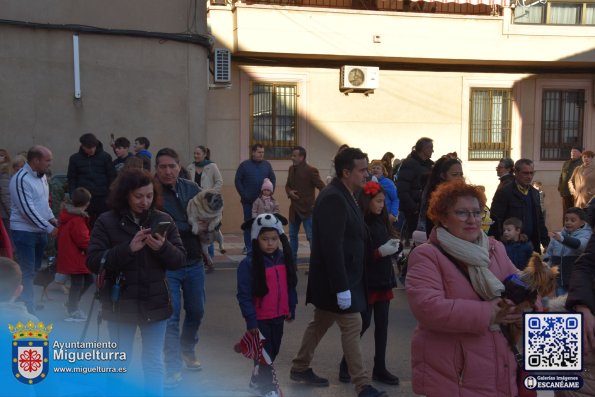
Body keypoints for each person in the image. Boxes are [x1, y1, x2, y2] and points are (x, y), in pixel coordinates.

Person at [406, 180, 522, 396]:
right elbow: (428, 308)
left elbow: (518, 285)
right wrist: (490, 312)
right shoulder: (427, 255)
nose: (472, 220)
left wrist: (521, 308)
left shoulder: (495, 249)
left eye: (477, 213)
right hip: (455, 376)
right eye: (462, 213)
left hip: (500, 368)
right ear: (443, 218)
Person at [290, 147, 387, 397]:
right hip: (337, 281)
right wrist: (342, 287)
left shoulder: (347, 193)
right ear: (346, 172)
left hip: (341, 279)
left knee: (320, 323)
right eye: (362, 170)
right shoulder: (334, 196)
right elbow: (332, 247)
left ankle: (300, 367)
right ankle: (363, 385)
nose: (366, 174)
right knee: (353, 324)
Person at [86, 168, 186, 395]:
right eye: (138, 196)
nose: (145, 202)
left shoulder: (163, 219)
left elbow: (179, 260)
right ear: (125, 194)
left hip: (155, 303)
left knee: (153, 362)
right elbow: (93, 261)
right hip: (120, 303)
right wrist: (127, 249)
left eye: (149, 196)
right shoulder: (107, 221)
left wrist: (163, 248)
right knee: (120, 362)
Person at [154, 148, 207, 387]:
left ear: (179, 166)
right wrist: (191, 226)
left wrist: (204, 226)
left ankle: (188, 349)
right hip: (167, 265)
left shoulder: (192, 189)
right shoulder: (152, 192)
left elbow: (209, 215)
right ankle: (172, 367)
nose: (167, 171)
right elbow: (161, 226)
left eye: (171, 166)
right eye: (163, 167)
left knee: (196, 311)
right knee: (171, 317)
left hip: (194, 261)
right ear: (157, 169)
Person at [339, 181, 400, 386]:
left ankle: (380, 367)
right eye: (379, 201)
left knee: (382, 326)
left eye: (384, 201)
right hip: (367, 282)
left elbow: (387, 242)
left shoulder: (382, 221)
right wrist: (380, 252)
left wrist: (395, 249)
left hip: (384, 279)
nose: (382, 205)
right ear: (368, 201)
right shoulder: (360, 223)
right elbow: (359, 255)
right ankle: (346, 363)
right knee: (362, 324)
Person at [237, 213, 298, 397]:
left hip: (278, 315)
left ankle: (256, 379)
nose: (270, 243)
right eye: (265, 239)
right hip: (260, 318)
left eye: (274, 238)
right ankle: (267, 388)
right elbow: (244, 295)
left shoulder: (283, 258)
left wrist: (291, 308)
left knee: (274, 350)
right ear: (256, 239)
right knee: (265, 354)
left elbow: (290, 286)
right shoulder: (248, 264)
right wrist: (251, 321)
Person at [9, 146, 58, 314]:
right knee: (27, 271)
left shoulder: (41, 177)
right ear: (35, 161)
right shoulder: (20, 179)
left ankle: (25, 301)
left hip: (39, 231)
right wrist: (50, 228)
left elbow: (43, 204)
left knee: (34, 270)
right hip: (24, 232)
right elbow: (27, 211)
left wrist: (52, 219)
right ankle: (27, 308)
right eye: (47, 160)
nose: (50, 163)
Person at [488, 158, 549, 253]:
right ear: (516, 172)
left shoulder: (535, 193)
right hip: (511, 246)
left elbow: (539, 219)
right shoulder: (505, 192)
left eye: (531, 173)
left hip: (531, 245)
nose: (529, 177)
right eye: (525, 173)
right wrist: (503, 238)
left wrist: (546, 242)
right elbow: (496, 219)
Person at [57, 187, 93, 322]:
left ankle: (72, 304)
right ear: (87, 203)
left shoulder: (68, 215)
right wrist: (94, 249)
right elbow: (83, 240)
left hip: (71, 255)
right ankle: (72, 309)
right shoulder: (77, 219)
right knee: (79, 283)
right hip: (76, 256)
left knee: (87, 280)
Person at [285, 146, 325, 264]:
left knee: (311, 237)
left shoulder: (311, 170)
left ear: (302, 157)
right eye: (292, 155)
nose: (292, 158)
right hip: (294, 209)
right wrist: (290, 192)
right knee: (292, 236)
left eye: (294, 156)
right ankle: (292, 263)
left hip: (308, 210)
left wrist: (317, 204)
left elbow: (323, 188)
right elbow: (288, 185)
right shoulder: (291, 169)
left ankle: (315, 265)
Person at [67, 133, 116, 225]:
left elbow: (112, 177)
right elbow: (71, 178)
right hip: (83, 199)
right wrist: (73, 195)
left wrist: (110, 194)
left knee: (104, 224)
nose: (92, 150)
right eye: (88, 148)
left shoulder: (106, 157)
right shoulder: (74, 159)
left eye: (94, 147)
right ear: (82, 146)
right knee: (84, 225)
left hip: (103, 198)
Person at [235, 144, 276, 254]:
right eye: (259, 152)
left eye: (263, 152)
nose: (261, 154)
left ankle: (260, 246)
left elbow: (272, 179)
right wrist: (244, 195)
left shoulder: (267, 165)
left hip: (263, 202)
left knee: (262, 224)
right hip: (248, 202)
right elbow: (238, 181)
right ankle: (249, 247)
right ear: (253, 152)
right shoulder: (244, 165)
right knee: (249, 224)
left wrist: (270, 194)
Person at [544, 207, 592, 296]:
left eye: (573, 220)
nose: (568, 222)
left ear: (582, 222)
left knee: (575, 305)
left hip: (577, 281)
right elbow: (549, 255)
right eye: (566, 220)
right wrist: (546, 267)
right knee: (562, 306)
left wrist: (562, 239)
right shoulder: (557, 237)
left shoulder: (587, 235)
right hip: (559, 281)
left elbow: (579, 245)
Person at [396, 137, 434, 241]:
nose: (433, 151)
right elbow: (402, 189)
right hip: (414, 211)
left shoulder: (429, 165)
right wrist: (414, 207)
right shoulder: (410, 164)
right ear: (424, 149)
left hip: (423, 209)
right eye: (431, 148)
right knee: (414, 239)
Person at [417, 155, 464, 236]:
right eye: (454, 174)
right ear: (443, 176)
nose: (459, 178)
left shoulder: (463, 193)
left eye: (461, 174)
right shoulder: (437, 197)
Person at [368, 160, 399, 224]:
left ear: (382, 172)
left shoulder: (387, 183)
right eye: (373, 168)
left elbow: (395, 198)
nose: (375, 170)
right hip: (372, 215)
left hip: (386, 215)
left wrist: (393, 214)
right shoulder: (368, 182)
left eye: (378, 168)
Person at [559, 145, 583, 214]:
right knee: (566, 212)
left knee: (576, 212)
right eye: (572, 151)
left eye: (575, 151)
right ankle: (565, 225)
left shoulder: (582, 163)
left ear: (580, 154)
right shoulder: (566, 163)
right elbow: (562, 175)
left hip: (576, 192)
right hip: (565, 191)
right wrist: (560, 186)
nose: (572, 153)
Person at [0, 148, 11, 229]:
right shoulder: (4, 172)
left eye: (1, 156)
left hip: (4, 213)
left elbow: (5, 194)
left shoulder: (5, 171)